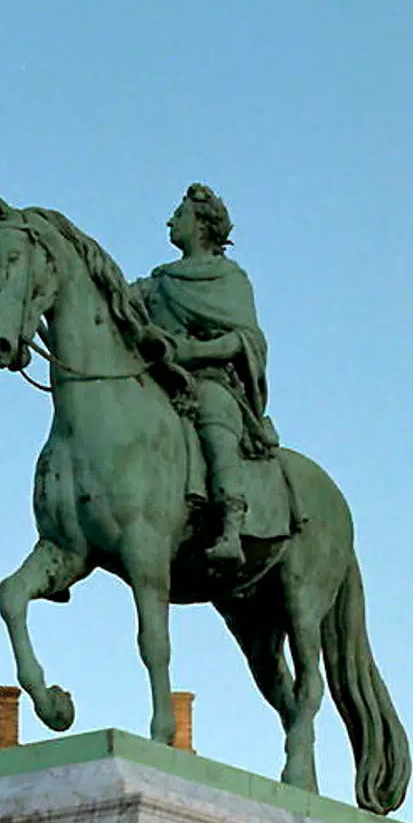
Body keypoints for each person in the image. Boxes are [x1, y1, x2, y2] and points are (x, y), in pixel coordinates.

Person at [133, 186, 279, 564]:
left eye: (179, 215)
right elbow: (117, 302)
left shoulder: (229, 278)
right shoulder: (159, 281)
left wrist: (193, 351)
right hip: (159, 379)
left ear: (201, 226)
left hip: (210, 381)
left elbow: (247, 339)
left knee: (213, 412)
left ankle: (231, 524)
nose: (170, 221)